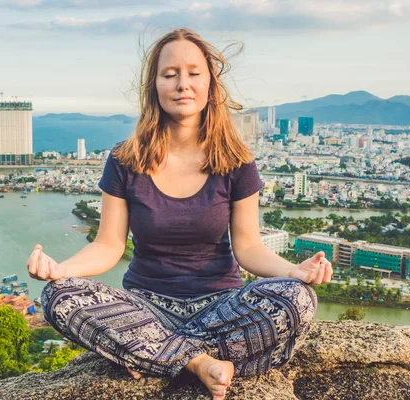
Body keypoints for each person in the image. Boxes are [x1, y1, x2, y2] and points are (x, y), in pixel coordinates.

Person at [27, 28, 333, 400]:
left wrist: (293, 272)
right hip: (146, 307)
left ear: (210, 85)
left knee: (298, 299)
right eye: (169, 74)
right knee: (58, 297)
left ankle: (153, 355)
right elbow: (108, 246)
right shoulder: (125, 160)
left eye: (193, 73)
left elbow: (249, 248)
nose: (182, 84)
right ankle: (200, 363)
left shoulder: (236, 161)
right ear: (154, 86)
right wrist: (61, 270)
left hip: (221, 307)